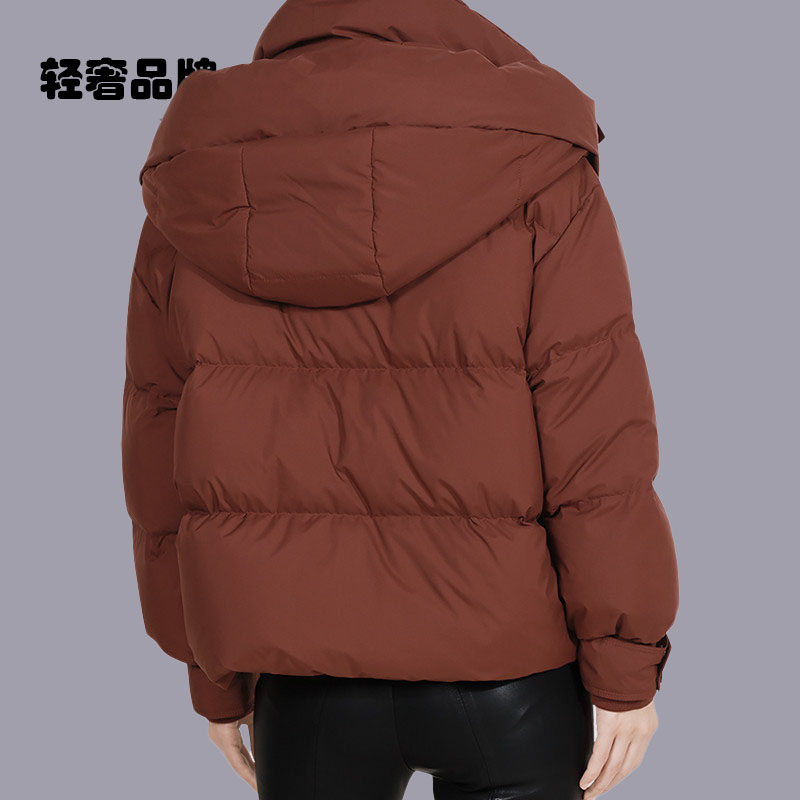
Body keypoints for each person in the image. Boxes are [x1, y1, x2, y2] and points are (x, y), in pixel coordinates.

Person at [121, 1, 679, 798]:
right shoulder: (533, 158)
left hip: (300, 677)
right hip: (508, 670)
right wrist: (625, 665)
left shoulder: (198, 171)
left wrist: (210, 672)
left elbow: (158, 445)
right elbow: (596, 435)